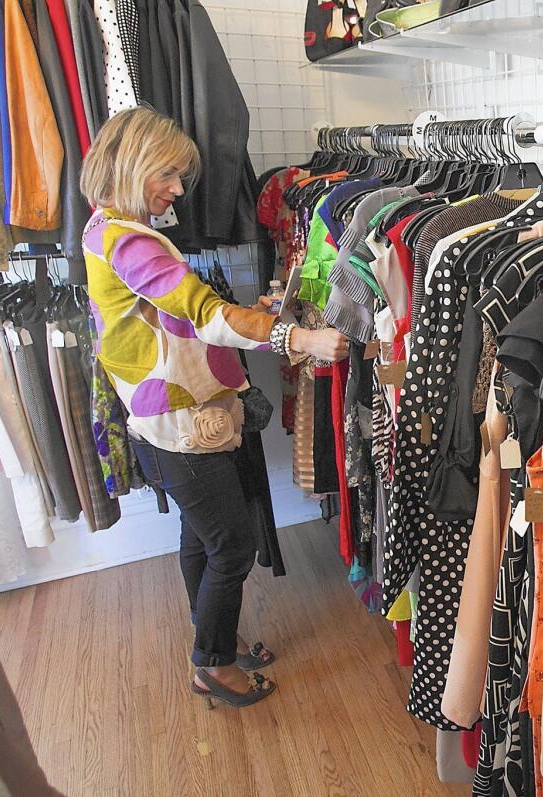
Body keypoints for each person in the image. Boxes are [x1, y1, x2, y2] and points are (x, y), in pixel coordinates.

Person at [80, 107, 349, 708]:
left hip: (160, 411)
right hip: (179, 418)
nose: (178, 190)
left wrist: (251, 313)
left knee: (200, 536)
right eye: (168, 176)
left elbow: (175, 309)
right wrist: (297, 338)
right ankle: (214, 664)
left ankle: (213, 639)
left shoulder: (103, 226)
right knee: (230, 545)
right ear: (133, 166)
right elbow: (202, 312)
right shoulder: (128, 241)